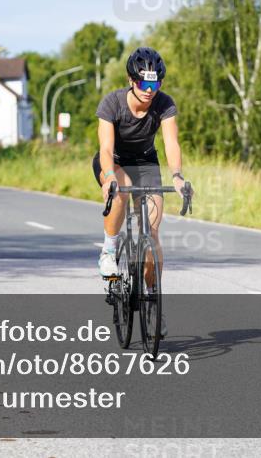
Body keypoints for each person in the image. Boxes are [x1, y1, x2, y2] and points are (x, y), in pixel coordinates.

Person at [93, 47, 192, 335]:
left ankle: (152, 298)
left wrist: (176, 176)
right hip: (115, 162)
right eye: (144, 84)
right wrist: (109, 176)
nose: (150, 90)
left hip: (146, 163)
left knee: (153, 229)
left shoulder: (164, 104)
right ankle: (109, 251)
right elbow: (106, 148)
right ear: (131, 80)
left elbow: (171, 143)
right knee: (121, 189)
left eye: (156, 83)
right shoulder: (112, 103)